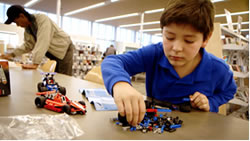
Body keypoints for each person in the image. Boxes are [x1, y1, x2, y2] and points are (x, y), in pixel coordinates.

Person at [101, 0, 237, 126]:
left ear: (205, 39)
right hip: (156, 127)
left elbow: (229, 91)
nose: (176, 48)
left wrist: (211, 102)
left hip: (196, 131)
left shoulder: (219, 69)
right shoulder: (155, 54)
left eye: (189, 41)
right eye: (169, 37)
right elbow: (112, 61)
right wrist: (120, 84)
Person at [0, 5, 74, 76]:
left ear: (22, 16)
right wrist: (11, 54)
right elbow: (28, 45)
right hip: (54, 52)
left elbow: (43, 41)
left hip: (64, 49)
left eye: (16, 22)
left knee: (64, 77)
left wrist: (35, 63)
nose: (18, 25)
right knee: (56, 77)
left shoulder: (42, 19)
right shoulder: (29, 29)